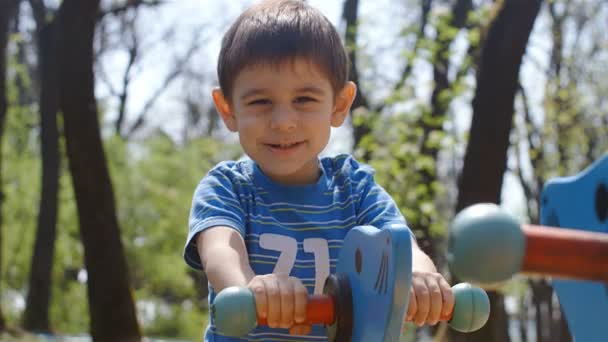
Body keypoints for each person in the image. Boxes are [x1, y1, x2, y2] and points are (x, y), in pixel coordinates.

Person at [183, 1, 454, 341]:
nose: (283, 122)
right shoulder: (227, 188)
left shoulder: (355, 189)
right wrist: (249, 286)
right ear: (228, 109)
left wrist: (420, 274)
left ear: (339, 105)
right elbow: (222, 249)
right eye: (260, 102)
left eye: (305, 100)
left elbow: (398, 243)